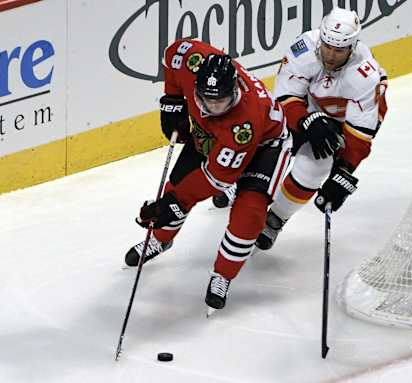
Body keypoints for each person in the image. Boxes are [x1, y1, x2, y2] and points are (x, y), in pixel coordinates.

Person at [124, 39, 292, 314]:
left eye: (221, 101)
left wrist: (174, 203)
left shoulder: (244, 124)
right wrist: (173, 99)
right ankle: (161, 239)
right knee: (175, 187)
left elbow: (214, 179)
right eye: (205, 99)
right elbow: (173, 54)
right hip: (212, 137)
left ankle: (222, 276)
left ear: (234, 90)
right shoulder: (193, 61)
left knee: (249, 213)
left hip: (265, 146)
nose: (212, 107)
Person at [256, 7, 388, 250]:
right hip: (307, 107)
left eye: (338, 50)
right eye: (327, 45)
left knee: (314, 168)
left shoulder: (365, 75)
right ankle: (242, 186)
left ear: (352, 46)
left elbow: (359, 136)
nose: (329, 54)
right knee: (263, 134)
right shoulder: (304, 48)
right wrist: (306, 120)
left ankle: (275, 218)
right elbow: (285, 97)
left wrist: (344, 172)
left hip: (340, 122)